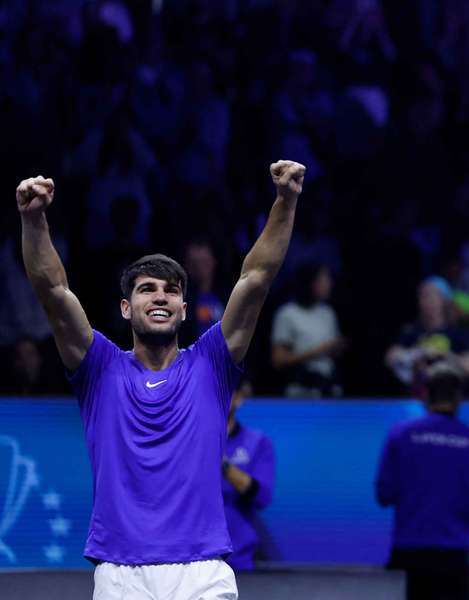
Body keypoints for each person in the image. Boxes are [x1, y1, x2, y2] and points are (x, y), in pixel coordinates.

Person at [16, 159, 305, 600]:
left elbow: (256, 278)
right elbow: (53, 292)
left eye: (171, 291)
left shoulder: (212, 364)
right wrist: (33, 219)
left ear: (184, 310)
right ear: (126, 308)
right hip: (121, 572)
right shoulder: (100, 368)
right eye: (147, 289)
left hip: (202, 571)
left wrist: (285, 201)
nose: (160, 297)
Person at [375, 361, 469, 600]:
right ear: (459, 397)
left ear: (425, 395)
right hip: (453, 554)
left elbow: (384, 494)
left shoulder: (400, 433)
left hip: (408, 549)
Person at [222, 380, 275, 571]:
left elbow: (262, 497)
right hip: (193, 559)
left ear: (239, 397)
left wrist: (222, 463)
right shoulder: (188, 440)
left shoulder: (258, 442)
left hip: (238, 560)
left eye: (225, 391)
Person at [270, 263, 345, 397]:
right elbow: (278, 360)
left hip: (329, 389)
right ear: (310, 283)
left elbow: (334, 353)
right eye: (323, 280)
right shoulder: (287, 314)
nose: (329, 284)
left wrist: (337, 348)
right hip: (301, 391)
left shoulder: (328, 313)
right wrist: (318, 351)